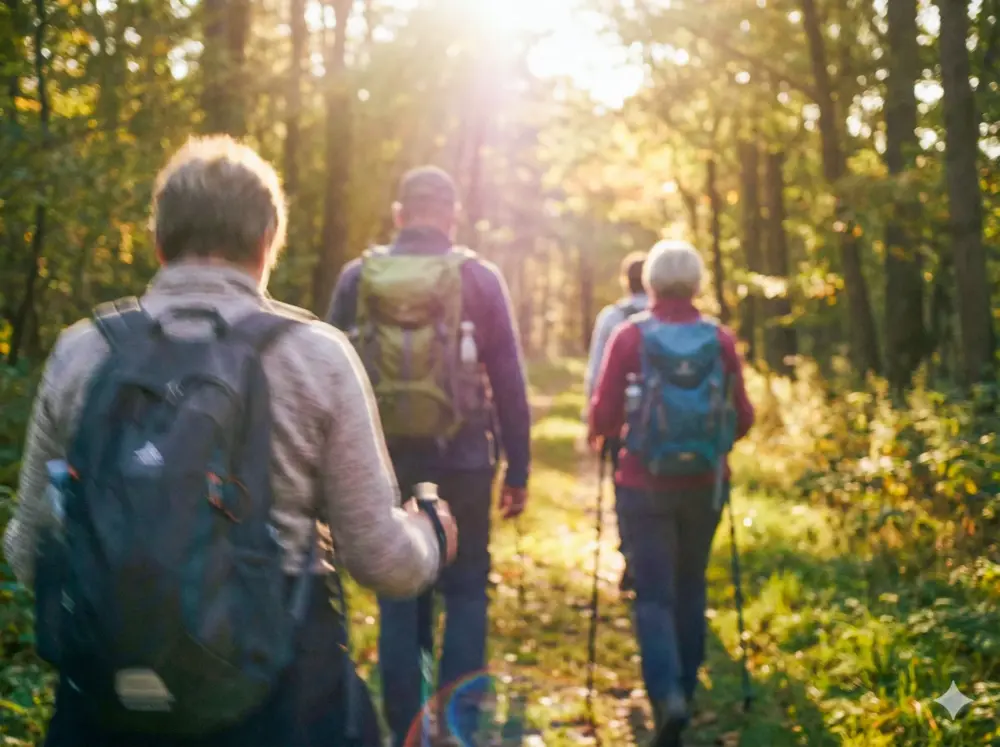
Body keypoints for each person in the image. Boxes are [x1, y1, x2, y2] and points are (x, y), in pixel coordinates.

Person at [2, 135, 457, 747]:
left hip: (105, 703)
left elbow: (28, 550)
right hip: (281, 701)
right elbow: (381, 561)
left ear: (159, 243)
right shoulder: (315, 357)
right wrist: (429, 533)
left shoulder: (81, 351)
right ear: (267, 243)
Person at [327, 165, 531, 747]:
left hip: (385, 459)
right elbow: (508, 380)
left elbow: (329, 374)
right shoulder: (479, 278)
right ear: (452, 217)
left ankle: (406, 728)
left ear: (399, 215)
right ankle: (455, 728)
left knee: (400, 590)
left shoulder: (359, 278)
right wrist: (518, 468)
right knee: (465, 588)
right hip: (464, 458)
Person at [588, 240, 754, 747]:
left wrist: (606, 435)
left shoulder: (630, 336)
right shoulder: (719, 339)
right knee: (690, 585)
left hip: (643, 483)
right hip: (704, 485)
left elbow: (603, 414)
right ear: (697, 283)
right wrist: (713, 446)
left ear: (651, 283)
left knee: (654, 593)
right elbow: (744, 416)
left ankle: (666, 696)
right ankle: (687, 687)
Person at [583, 251, 648, 592]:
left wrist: (594, 422)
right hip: (666, 425)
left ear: (626, 281)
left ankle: (632, 557)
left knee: (623, 489)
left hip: (622, 424)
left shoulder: (613, 317)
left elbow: (597, 373)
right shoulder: (671, 319)